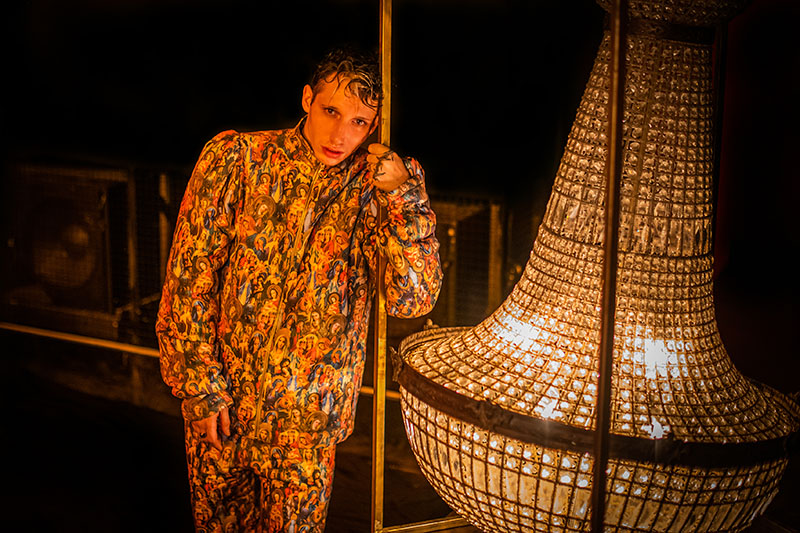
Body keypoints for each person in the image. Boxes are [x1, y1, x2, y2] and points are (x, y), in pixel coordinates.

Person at [155, 47, 442, 532]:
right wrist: (199, 387)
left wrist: (402, 196)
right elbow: (189, 277)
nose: (340, 134)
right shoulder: (239, 159)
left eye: (358, 122)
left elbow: (412, 298)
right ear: (308, 99)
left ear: (373, 126)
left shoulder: (377, 189)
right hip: (223, 409)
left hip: (308, 427)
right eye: (331, 111)